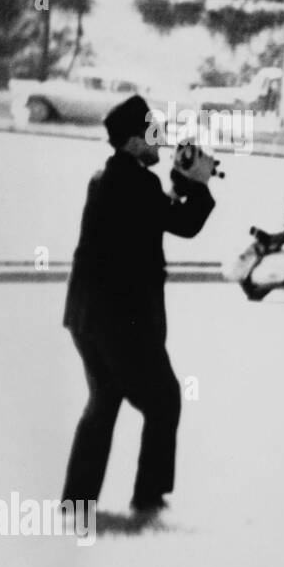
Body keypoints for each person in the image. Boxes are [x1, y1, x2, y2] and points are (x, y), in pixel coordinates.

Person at [62, 95, 217, 516]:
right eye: (152, 134)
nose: (161, 140)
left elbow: (152, 214)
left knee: (104, 400)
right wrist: (199, 183)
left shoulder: (107, 178)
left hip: (85, 317)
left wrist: (181, 184)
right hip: (120, 321)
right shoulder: (137, 184)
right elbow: (182, 223)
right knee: (164, 400)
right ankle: (149, 495)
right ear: (133, 143)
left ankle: (77, 499)